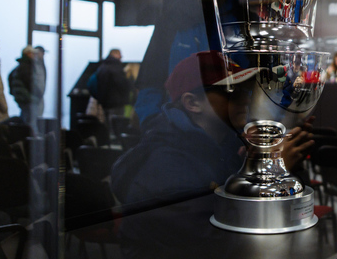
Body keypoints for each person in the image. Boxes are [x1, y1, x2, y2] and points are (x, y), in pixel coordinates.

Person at [112, 50, 313, 209]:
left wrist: (258, 164)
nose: (245, 98)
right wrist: (275, 175)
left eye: (246, 89)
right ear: (192, 103)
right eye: (232, 90)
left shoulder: (225, 147)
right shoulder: (167, 166)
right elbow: (223, 244)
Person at [133, 0, 247, 127]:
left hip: (231, 138)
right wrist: (153, 125)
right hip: (176, 134)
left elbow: (263, 89)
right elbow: (149, 83)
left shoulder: (246, 25)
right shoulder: (171, 21)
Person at [9, 45, 45, 132]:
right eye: (32, 53)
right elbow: (30, 82)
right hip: (28, 99)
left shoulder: (20, 66)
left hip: (24, 98)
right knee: (30, 122)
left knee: (26, 119)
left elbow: (10, 77)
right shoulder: (26, 66)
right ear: (28, 54)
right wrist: (38, 94)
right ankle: (29, 139)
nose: (34, 55)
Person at [93, 48, 132, 120]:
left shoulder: (102, 67)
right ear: (115, 54)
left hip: (105, 102)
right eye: (119, 54)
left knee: (108, 124)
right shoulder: (115, 67)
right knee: (117, 124)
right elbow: (121, 83)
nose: (121, 57)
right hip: (116, 102)